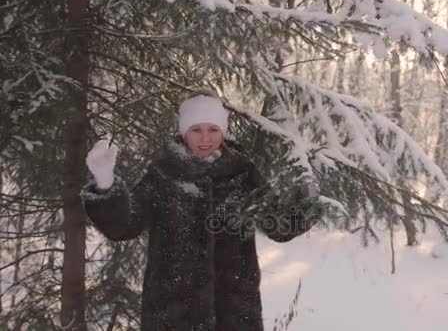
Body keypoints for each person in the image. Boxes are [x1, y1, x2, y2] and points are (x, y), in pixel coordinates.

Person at [80, 93, 321, 331]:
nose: (205, 138)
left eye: (213, 130)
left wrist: (308, 202)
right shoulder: (163, 175)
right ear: (184, 132)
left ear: (223, 131)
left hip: (235, 313)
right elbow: (124, 226)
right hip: (172, 315)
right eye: (196, 129)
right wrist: (104, 182)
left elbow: (278, 226)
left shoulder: (242, 173)